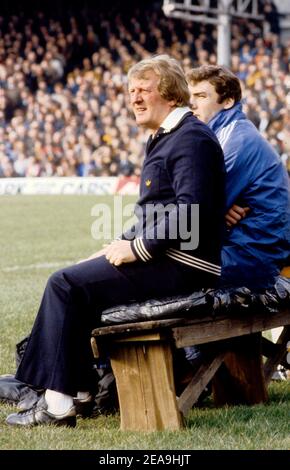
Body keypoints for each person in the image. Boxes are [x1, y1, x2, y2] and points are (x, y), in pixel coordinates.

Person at [6, 55, 225, 427]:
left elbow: (193, 209)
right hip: (168, 258)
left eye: (144, 89)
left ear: (171, 94)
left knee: (64, 285)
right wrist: (113, 245)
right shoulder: (168, 137)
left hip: (185, 265)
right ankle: (76, 391)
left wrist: (136, 249)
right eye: (131, 91)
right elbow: (151, 213)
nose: (134, 98)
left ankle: (56, 405)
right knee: (76, 279)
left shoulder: (191, 137)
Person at [187, 65, 290, 291]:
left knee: (164, 268)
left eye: (201, 96)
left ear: (228, 101)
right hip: (243, 245)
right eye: (190, 96)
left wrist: (216, 210)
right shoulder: (221, 133)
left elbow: (194, 214)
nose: (191, 103)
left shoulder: (234, 140)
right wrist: (221, 209)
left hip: (251, 256)